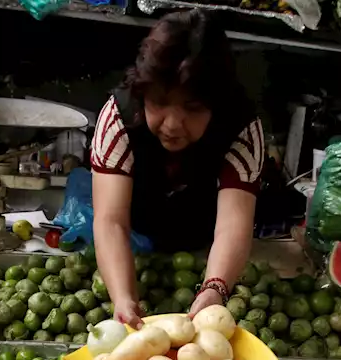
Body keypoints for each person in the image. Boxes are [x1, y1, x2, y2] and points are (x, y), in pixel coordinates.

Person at [90, 11, 264, 328]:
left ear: (216, 104)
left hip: (205, 236)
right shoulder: (119, 115)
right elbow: (111, 220)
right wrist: (124, 299)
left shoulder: (241, 126)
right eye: (158, 102)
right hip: (137, 230)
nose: (172, 124)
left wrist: (215, 288)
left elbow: (233, 224)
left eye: (193, 108)